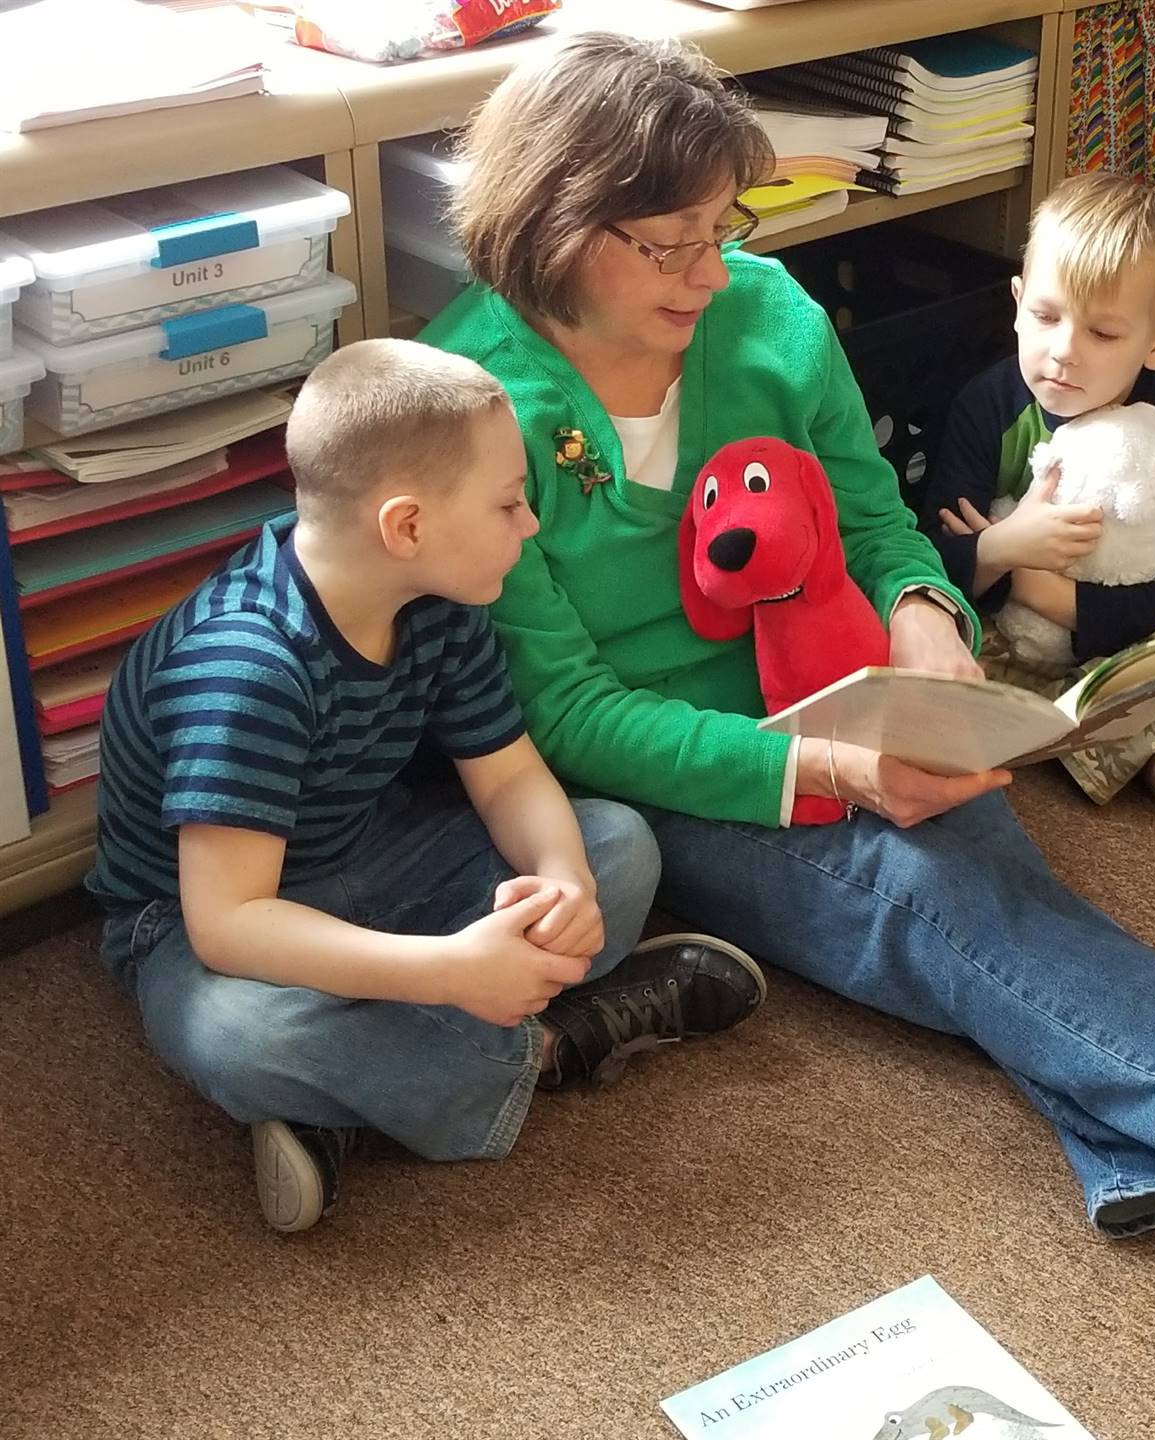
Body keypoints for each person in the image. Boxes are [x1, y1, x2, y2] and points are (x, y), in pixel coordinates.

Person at [422, 31, 1155, 1348]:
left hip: (844, 681)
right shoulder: (475, 405)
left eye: (717, 226)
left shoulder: (764, 312)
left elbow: (879, 521)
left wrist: (925, 619)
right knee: (912, 891)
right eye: (665, 244)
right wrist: (824, 770)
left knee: (968, 861)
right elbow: (562, 713)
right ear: (554, 228)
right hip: (670, 761)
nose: (707, 268)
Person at [87, 339, 765, 1235]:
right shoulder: (246, 670)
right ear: (406, 526)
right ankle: (557, 1046)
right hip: (199, 917)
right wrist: (448, 970)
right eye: (510, 503)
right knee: (238, 1037)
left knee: (616, 845)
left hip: (375, 851)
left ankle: (350, 1100)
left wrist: (561, 876)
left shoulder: (445, 600)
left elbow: (510, 771)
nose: (530, 526)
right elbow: (230, 922)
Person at [922, 172, 1155, 805]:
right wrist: (1006, 546)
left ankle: (1084, 736)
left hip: (1122, 649)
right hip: (1004, 643)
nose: (1062, 351)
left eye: (1102, 333)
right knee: (919, 652)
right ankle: (1120, 746)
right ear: (1016, 304)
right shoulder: (987, 404)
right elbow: (930, 560)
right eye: (1044, 316)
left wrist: (1034, 582)